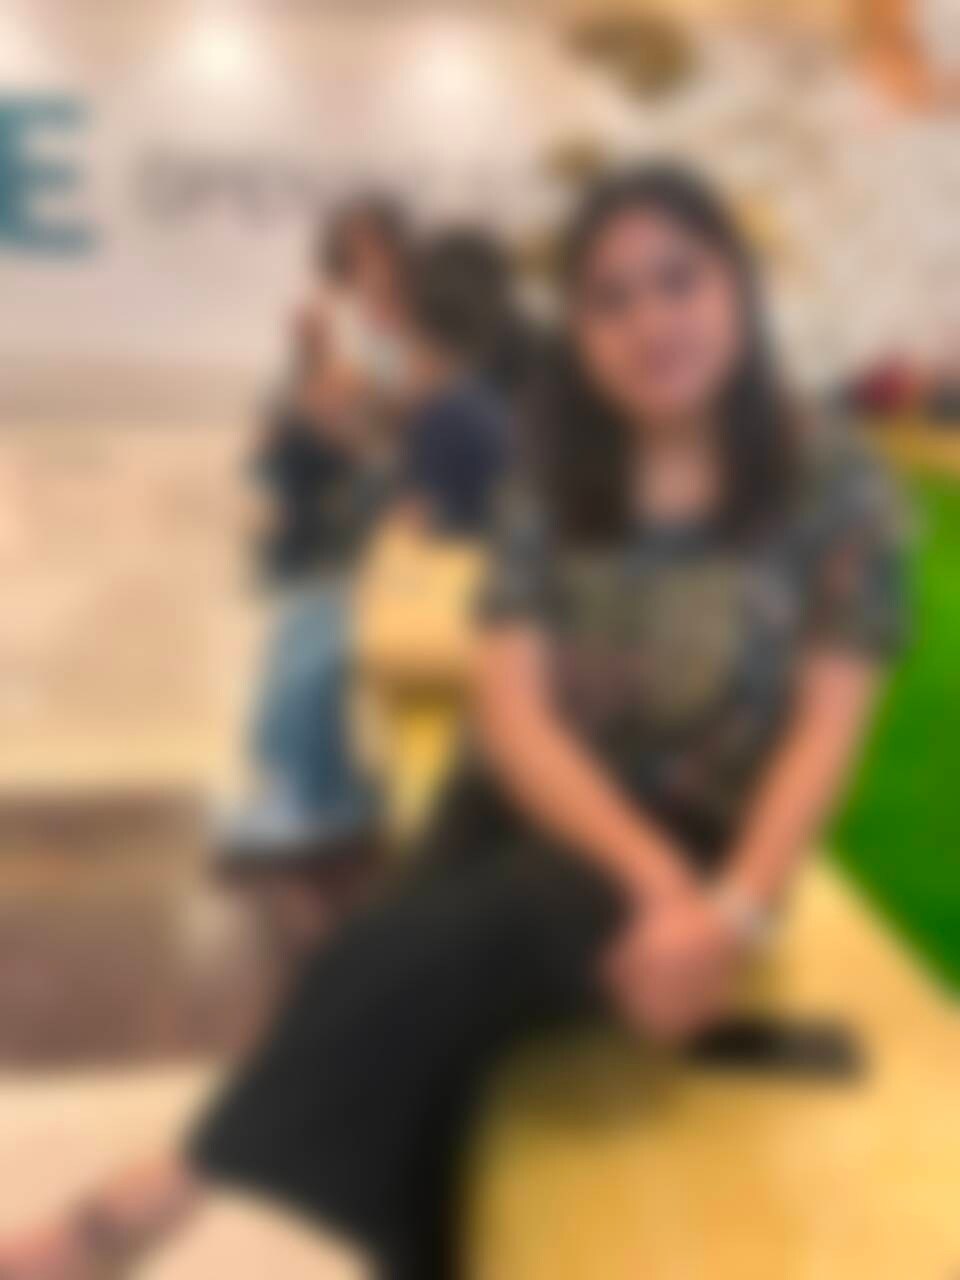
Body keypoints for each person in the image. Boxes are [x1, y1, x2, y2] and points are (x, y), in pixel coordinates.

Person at [0, 164, 907, 1280]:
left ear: (739, 286)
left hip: (696, 825)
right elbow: (513, 712)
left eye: (680, 280)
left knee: (447, 947)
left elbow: (826, 727)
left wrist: (726, 911)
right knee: (400, 980)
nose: (651, 321)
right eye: (611, 298)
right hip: (527, 792)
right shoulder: (555, 460)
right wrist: (652, 882)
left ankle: (133, 1212)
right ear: (577, 327)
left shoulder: (834, 480)